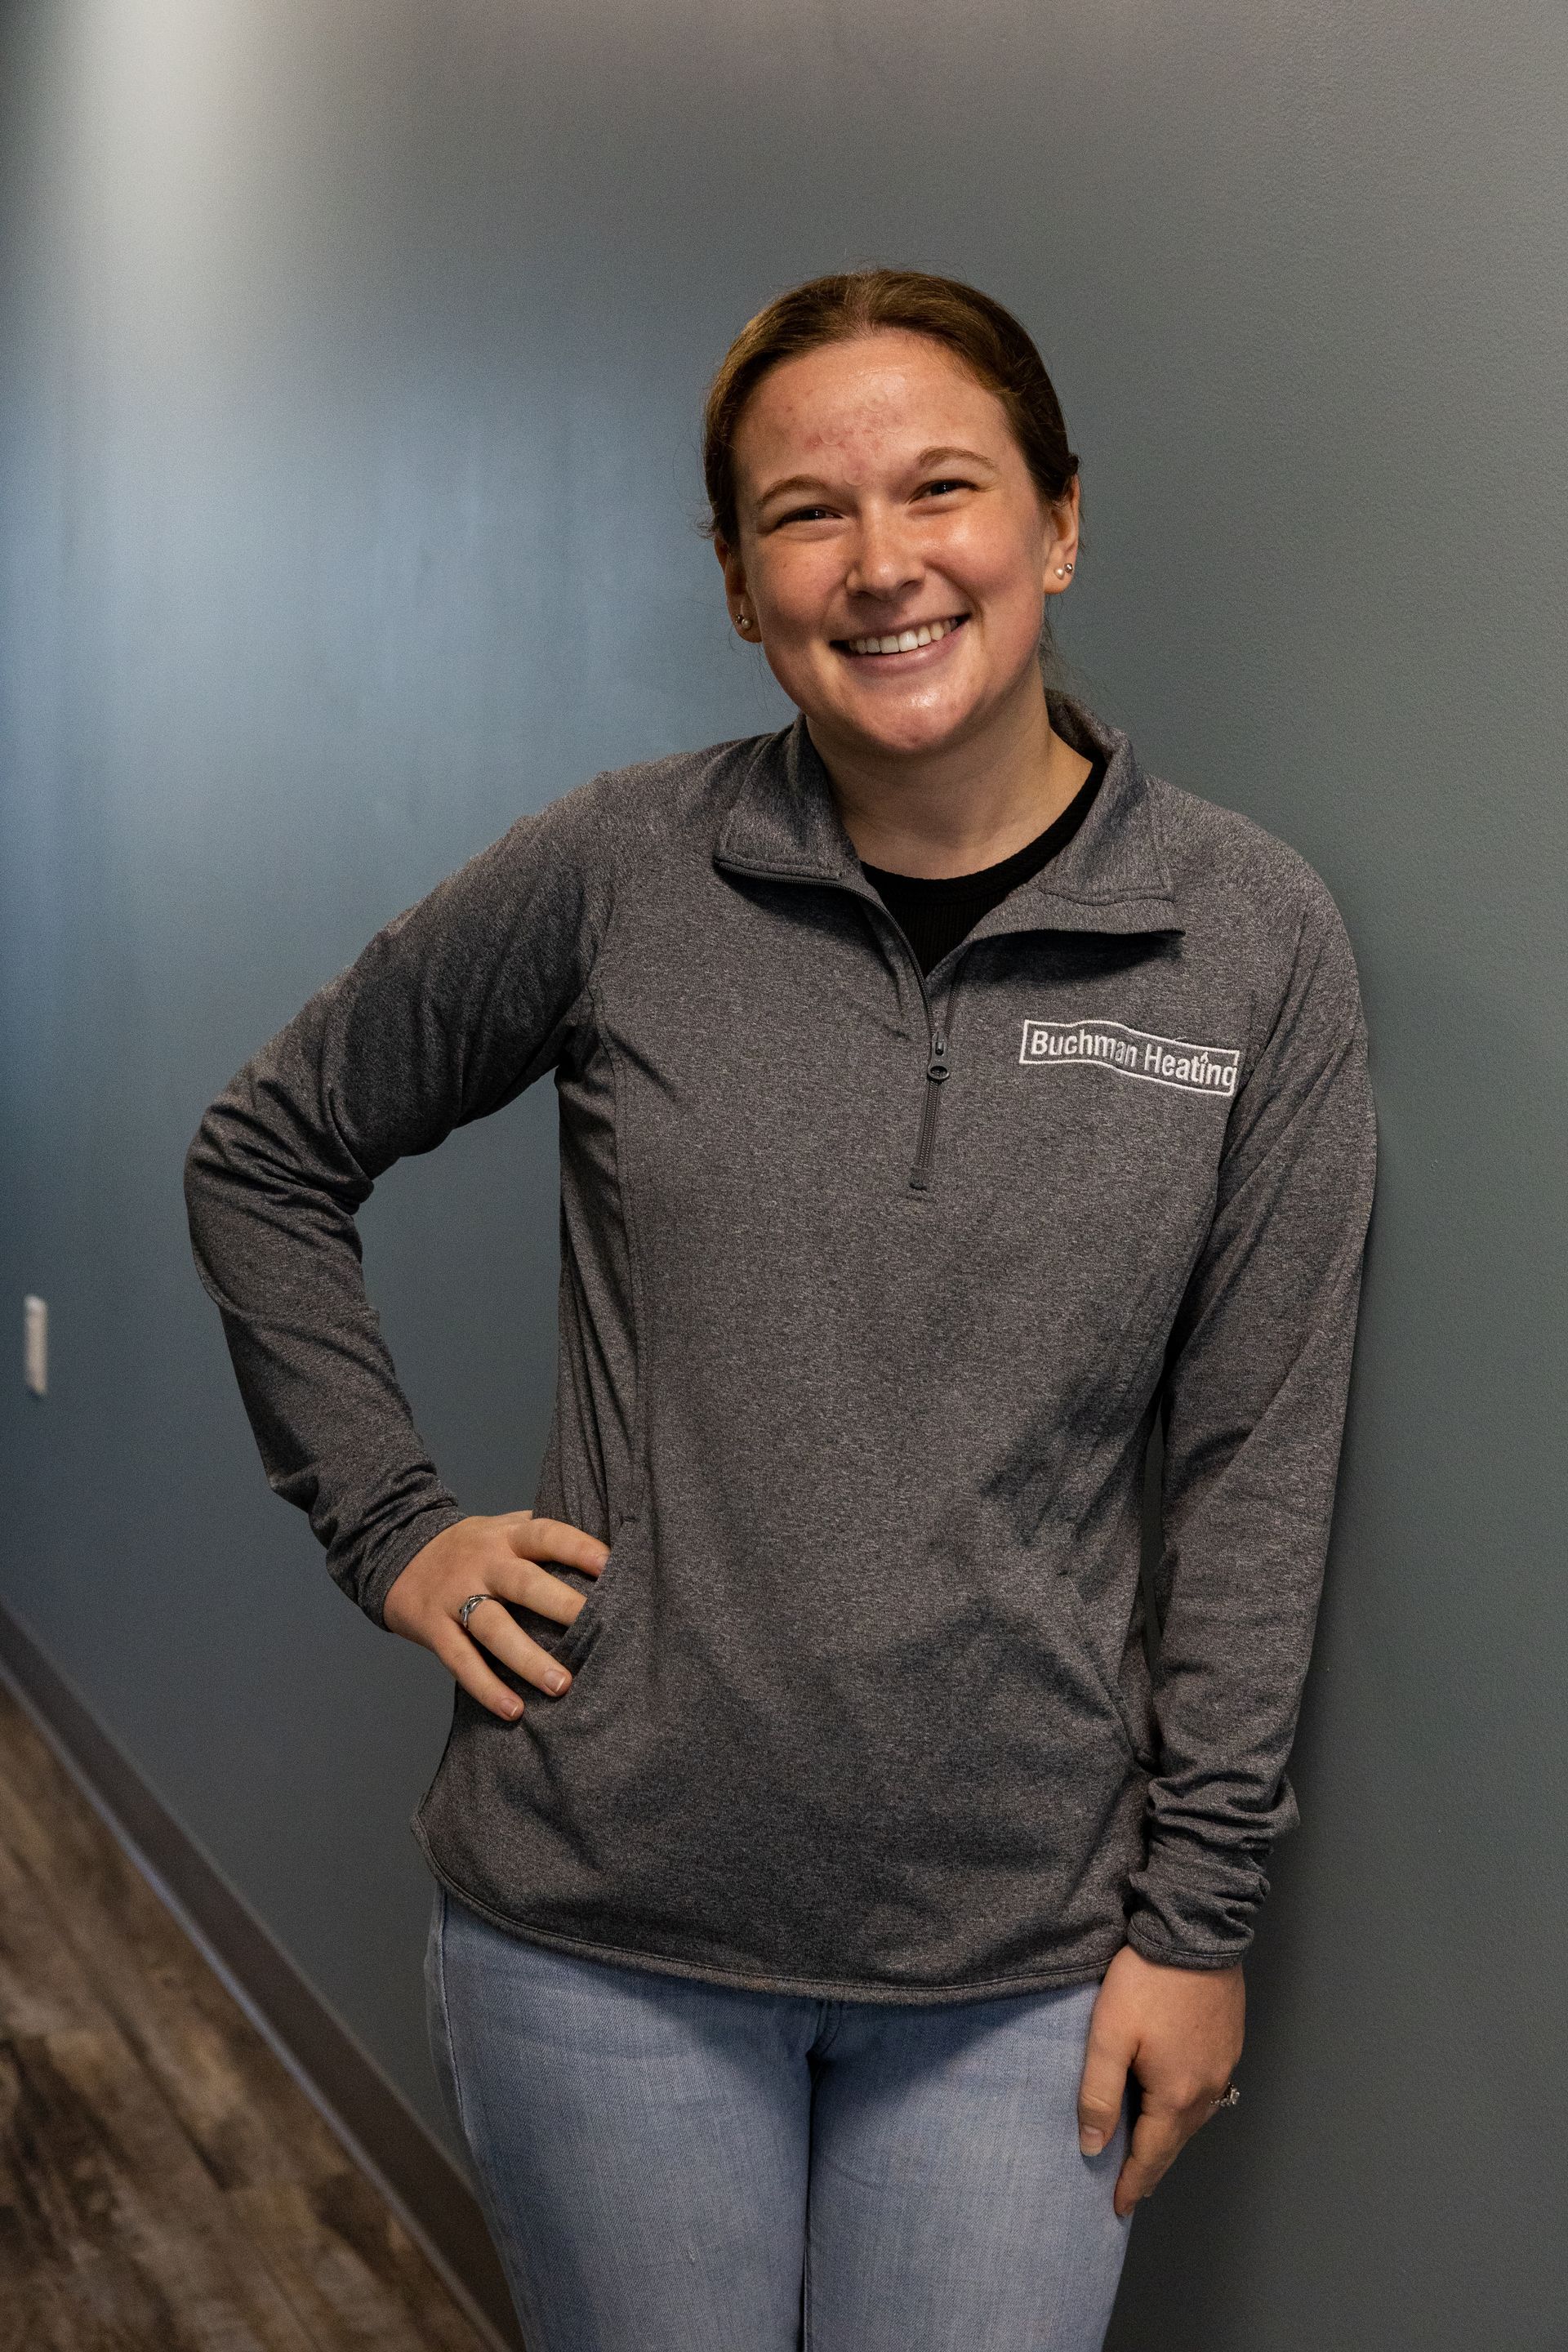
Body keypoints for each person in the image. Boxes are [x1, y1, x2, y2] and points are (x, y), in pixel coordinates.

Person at [185, 267, 1376, 2351]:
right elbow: (269, 1152)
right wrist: (392, 1525)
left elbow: (1262, 1466)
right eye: (804, 514)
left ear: (1061, 524)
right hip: (600, 1939)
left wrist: (1201, 1918)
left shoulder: (1248, 940)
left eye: (944, 487)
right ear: (738, 584)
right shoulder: (624, 873)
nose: (884, 560)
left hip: (1022, 1957)